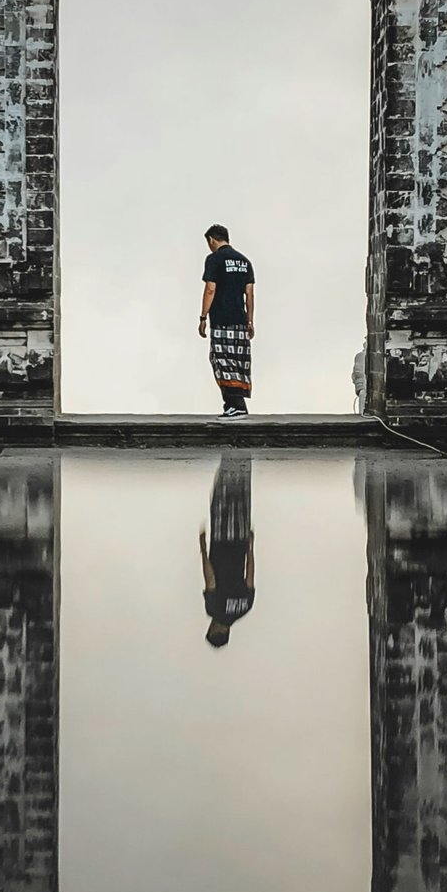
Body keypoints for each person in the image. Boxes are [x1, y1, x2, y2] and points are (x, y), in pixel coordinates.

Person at [197, 224, 255, 419]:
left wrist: (203, 317)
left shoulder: (214, 259)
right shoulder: (245, 261)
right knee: (238, 362)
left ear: (212, 240)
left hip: (222, 319)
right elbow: (249, 294)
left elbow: (210, 289)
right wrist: (250, 321)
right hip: (240, 319)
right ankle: (237, 405)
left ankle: (234, 405)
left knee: (221, 360)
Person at [199, 455, 255, 648]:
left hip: (240, 541)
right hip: (221, 541)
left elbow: (250, 576)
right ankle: (230, 451)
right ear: (216, 631)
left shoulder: (244, 608)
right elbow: (211, 579)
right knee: (222, 496)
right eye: (211, 629)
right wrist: (202, 548)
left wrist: (251, 547)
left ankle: (244, 454)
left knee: (241, 494)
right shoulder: (214, 609)